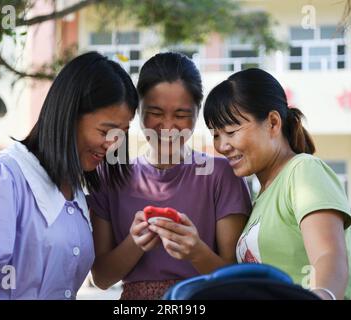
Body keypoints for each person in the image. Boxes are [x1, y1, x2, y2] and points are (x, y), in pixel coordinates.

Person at [0, 52, 139, 299]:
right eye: (105, 131)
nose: (112, 145)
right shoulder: (3, 179)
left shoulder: (76, 194)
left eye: (121, 134)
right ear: (69, 114)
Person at [87, 52, 252, 300]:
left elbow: (237, 279)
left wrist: (196, 251)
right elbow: (101, 278)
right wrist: (134, 242)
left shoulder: (222, 175)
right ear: (137, 109)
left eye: (181, 115)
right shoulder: (109, 176)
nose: (167, 126)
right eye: (155, 112)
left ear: (198, 112)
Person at [203, 68, 351, 300]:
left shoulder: (303, 171)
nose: (222, 145)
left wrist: (323, 295)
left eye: (231, 131)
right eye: (216, 134)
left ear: (272, 122)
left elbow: (328, 255)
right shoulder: (262, 196)